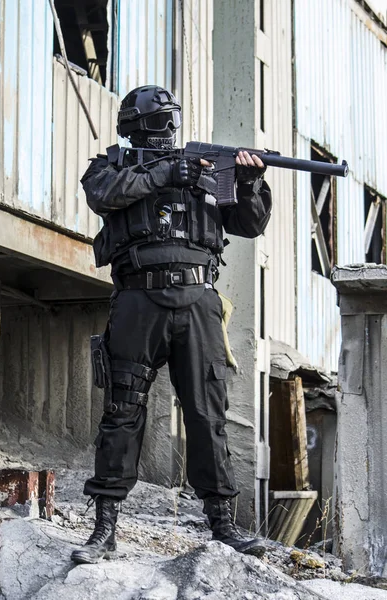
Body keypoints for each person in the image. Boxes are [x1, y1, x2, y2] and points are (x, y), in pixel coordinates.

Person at [71, 85, 272, 564]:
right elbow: (103, 195)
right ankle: (105, 528)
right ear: (137, 125)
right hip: (139, 297)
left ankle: (223, 527)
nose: (168, 129)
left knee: (208, 413)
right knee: (123, 410)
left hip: (199, 300)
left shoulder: (206, 169)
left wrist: (247, 182)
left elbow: (250, 223)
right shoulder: (111, 167)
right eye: (160, 120)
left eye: (171, 119)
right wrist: (165, 172)